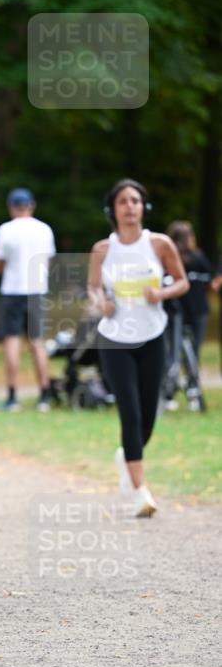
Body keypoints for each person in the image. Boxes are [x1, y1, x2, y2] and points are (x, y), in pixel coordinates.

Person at [87, 179, 189, 517]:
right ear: (112, 210)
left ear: (144, 207)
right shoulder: (103, 249)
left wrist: (161, 293)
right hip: (114, 340)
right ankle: (140, 491)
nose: (130, 206)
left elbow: (183, 281)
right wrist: (101, 303)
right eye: (123, 202)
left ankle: (126, 458)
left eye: (136, 200)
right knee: (129, 413)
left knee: (148, 415)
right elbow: (93, 289)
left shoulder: (159, 244)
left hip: (152, 336)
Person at [0, 188, 55, 412]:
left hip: (12, 291)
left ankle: (12, 397)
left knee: (12, 343)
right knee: (38, 343)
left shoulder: (6, 230)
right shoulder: (45, 230)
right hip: (37, 290)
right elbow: (48, 263)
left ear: (12, 207)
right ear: (32, 205)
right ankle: (44, 396)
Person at [162, 221, 212, 410]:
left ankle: (177, 392)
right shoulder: (175, 258)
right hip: (181, 313)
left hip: (183, 312)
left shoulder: (194, 258)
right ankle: (182, 390)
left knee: (178, 354)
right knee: (181, 354)